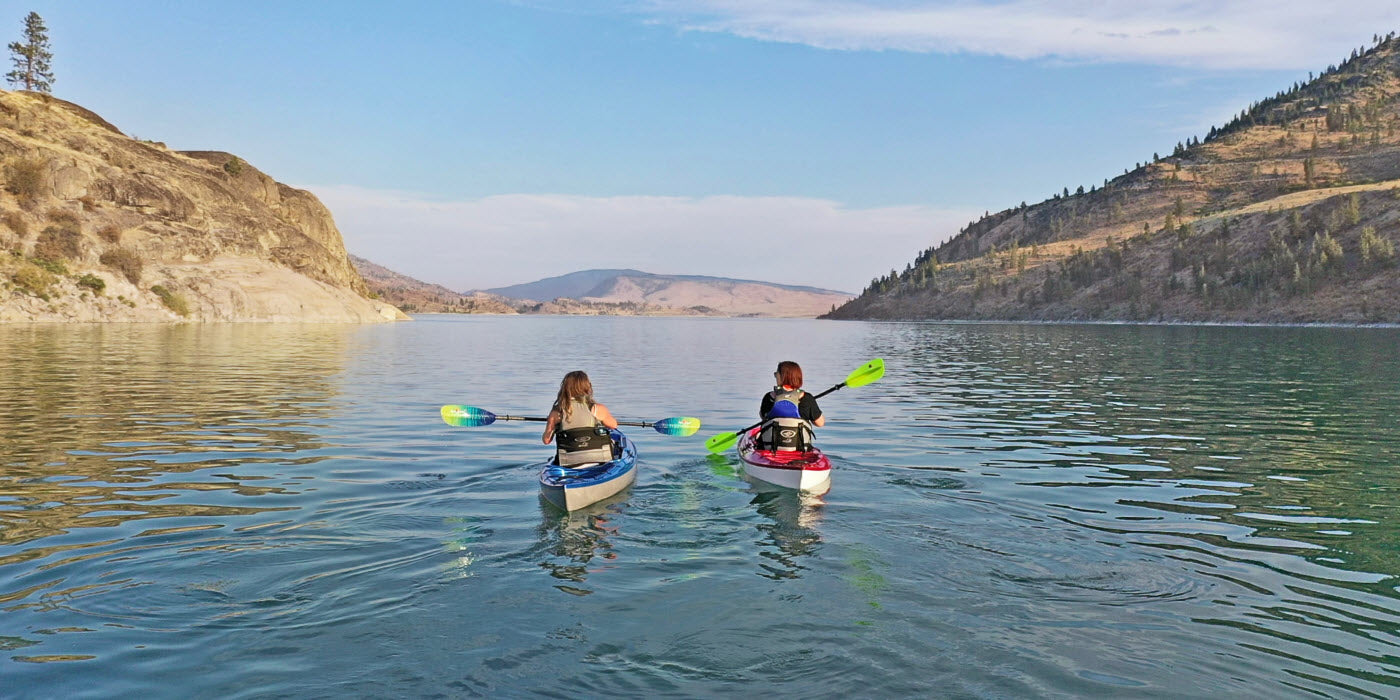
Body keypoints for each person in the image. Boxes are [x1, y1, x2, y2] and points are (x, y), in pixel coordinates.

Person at [542, 370, 619, 466]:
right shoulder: (598, 408)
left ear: (565, 388)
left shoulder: (557, 412)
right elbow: (614, 425)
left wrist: (551, 422)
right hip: (600, 460)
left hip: (570, 462)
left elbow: (546, 440)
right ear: (587, 387)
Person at [757, 361, 825, 451]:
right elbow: (820, 423)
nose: (775, 377)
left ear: (782, 377)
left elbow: (763, 417)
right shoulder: (807, 398)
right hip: (800, 451)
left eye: (776, 374)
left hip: (770, 450)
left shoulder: (768, 397)